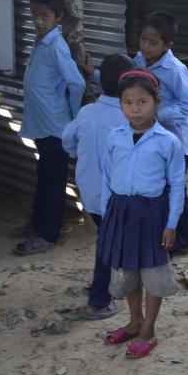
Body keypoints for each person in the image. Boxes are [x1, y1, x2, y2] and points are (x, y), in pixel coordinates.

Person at [98, 70, 185, 359]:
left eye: (142, 102)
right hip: (121, 212)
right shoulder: (114, 137)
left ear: (157, 102)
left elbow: (177, 185)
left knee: (153, 273)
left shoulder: (167, 141)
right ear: (120, 104)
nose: (135, 109)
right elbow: (106, 176)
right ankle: (134, 322)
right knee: (129, 272)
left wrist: (171, 223)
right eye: (128, 102)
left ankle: (149, 329)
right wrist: (106, 213)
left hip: (152, 214)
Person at [61, 53, 134, 321]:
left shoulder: (86, 113)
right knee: (109, 243)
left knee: (110, 237)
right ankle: (98, 300)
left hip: (91, 194)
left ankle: (109, 285)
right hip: (121, 197)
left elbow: (67, 143)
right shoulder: (131, 119)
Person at [16, 0, 86, 255]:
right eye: (34, 14)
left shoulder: (56, 45)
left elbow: (77, 83)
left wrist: (70, 116)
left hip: (56, 125)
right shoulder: (41, 40)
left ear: (58, 17)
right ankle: (37, 222)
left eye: (44, 15)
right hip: (43, 125)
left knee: (54, 179)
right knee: (44, 175)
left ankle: (48, 234)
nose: (37, 21)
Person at [132, 11, 188, 254]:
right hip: (153, 140)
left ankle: (187, 240)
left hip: (176, 142)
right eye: (143, 39)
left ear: (167, 45)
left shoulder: (174, 69)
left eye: (153, 42)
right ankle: (181, 238)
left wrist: (158, 114)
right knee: (164, 189)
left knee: (175, 189)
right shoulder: (138, 61)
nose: (146, 46)